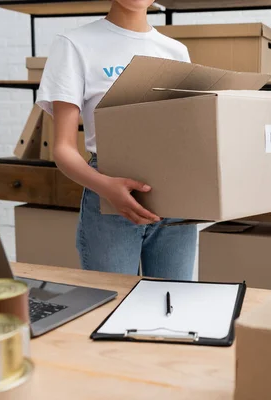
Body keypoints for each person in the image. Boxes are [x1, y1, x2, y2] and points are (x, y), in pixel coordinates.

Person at [36, 0, 197, 280]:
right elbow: (62, 148)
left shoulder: (176, 51)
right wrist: (106, 188)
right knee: (112, 309)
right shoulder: (74, 44)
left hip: (175, 196)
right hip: (108, 194)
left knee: (175, 305)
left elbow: (185, 133)